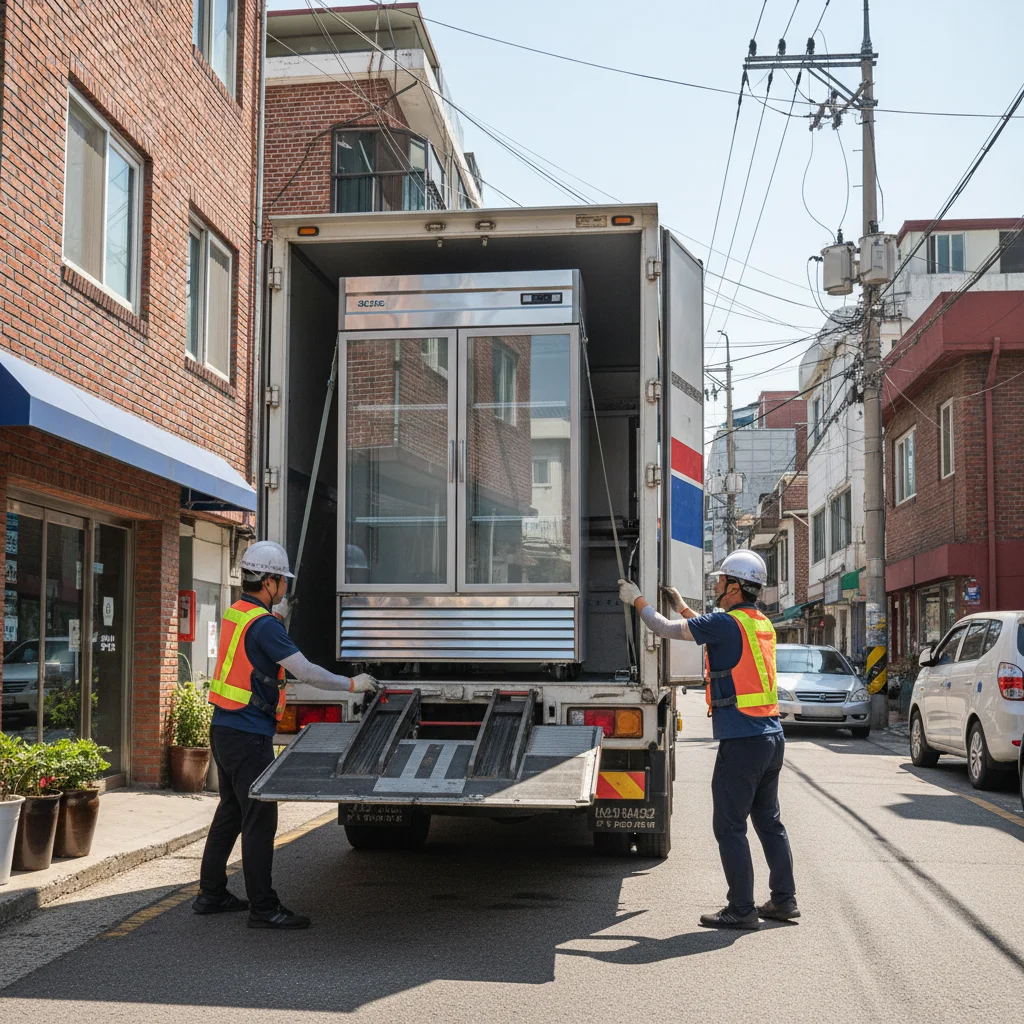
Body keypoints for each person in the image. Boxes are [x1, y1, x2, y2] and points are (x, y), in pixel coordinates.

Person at [193, 540, 378, 929]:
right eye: (283, 581)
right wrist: (352, 684)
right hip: (247, 733)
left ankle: (211, 894)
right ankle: (264, 908)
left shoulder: (238, 613)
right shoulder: (263, 626)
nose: (285, 589)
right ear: (271, 581)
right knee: (259, 817)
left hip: (223, 727)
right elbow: (306, 671)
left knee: (230, 810)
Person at [618, 549, 797, 930]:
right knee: (769, 822)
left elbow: (664, 629)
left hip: (743, 740)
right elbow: (710, 631)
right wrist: (684, 606)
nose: (716, 586)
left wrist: (637, 600)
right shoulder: (760, 623)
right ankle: (783, 900)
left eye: (721, 580)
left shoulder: (726, 622)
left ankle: (742, 909)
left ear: (735, 586)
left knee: (729, 826)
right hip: (771, 736)